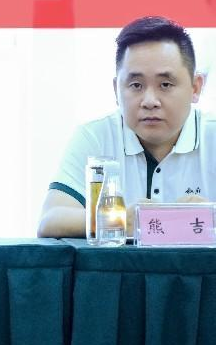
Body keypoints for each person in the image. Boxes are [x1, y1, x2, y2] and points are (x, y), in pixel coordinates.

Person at [38, 16, 212, 238]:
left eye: (165, 84)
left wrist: (211, 217)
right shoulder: (95, 136)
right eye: (136, 85)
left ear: (195, 88)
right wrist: (119, 219)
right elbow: (50, 219)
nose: (150, 101)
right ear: (116, 90)